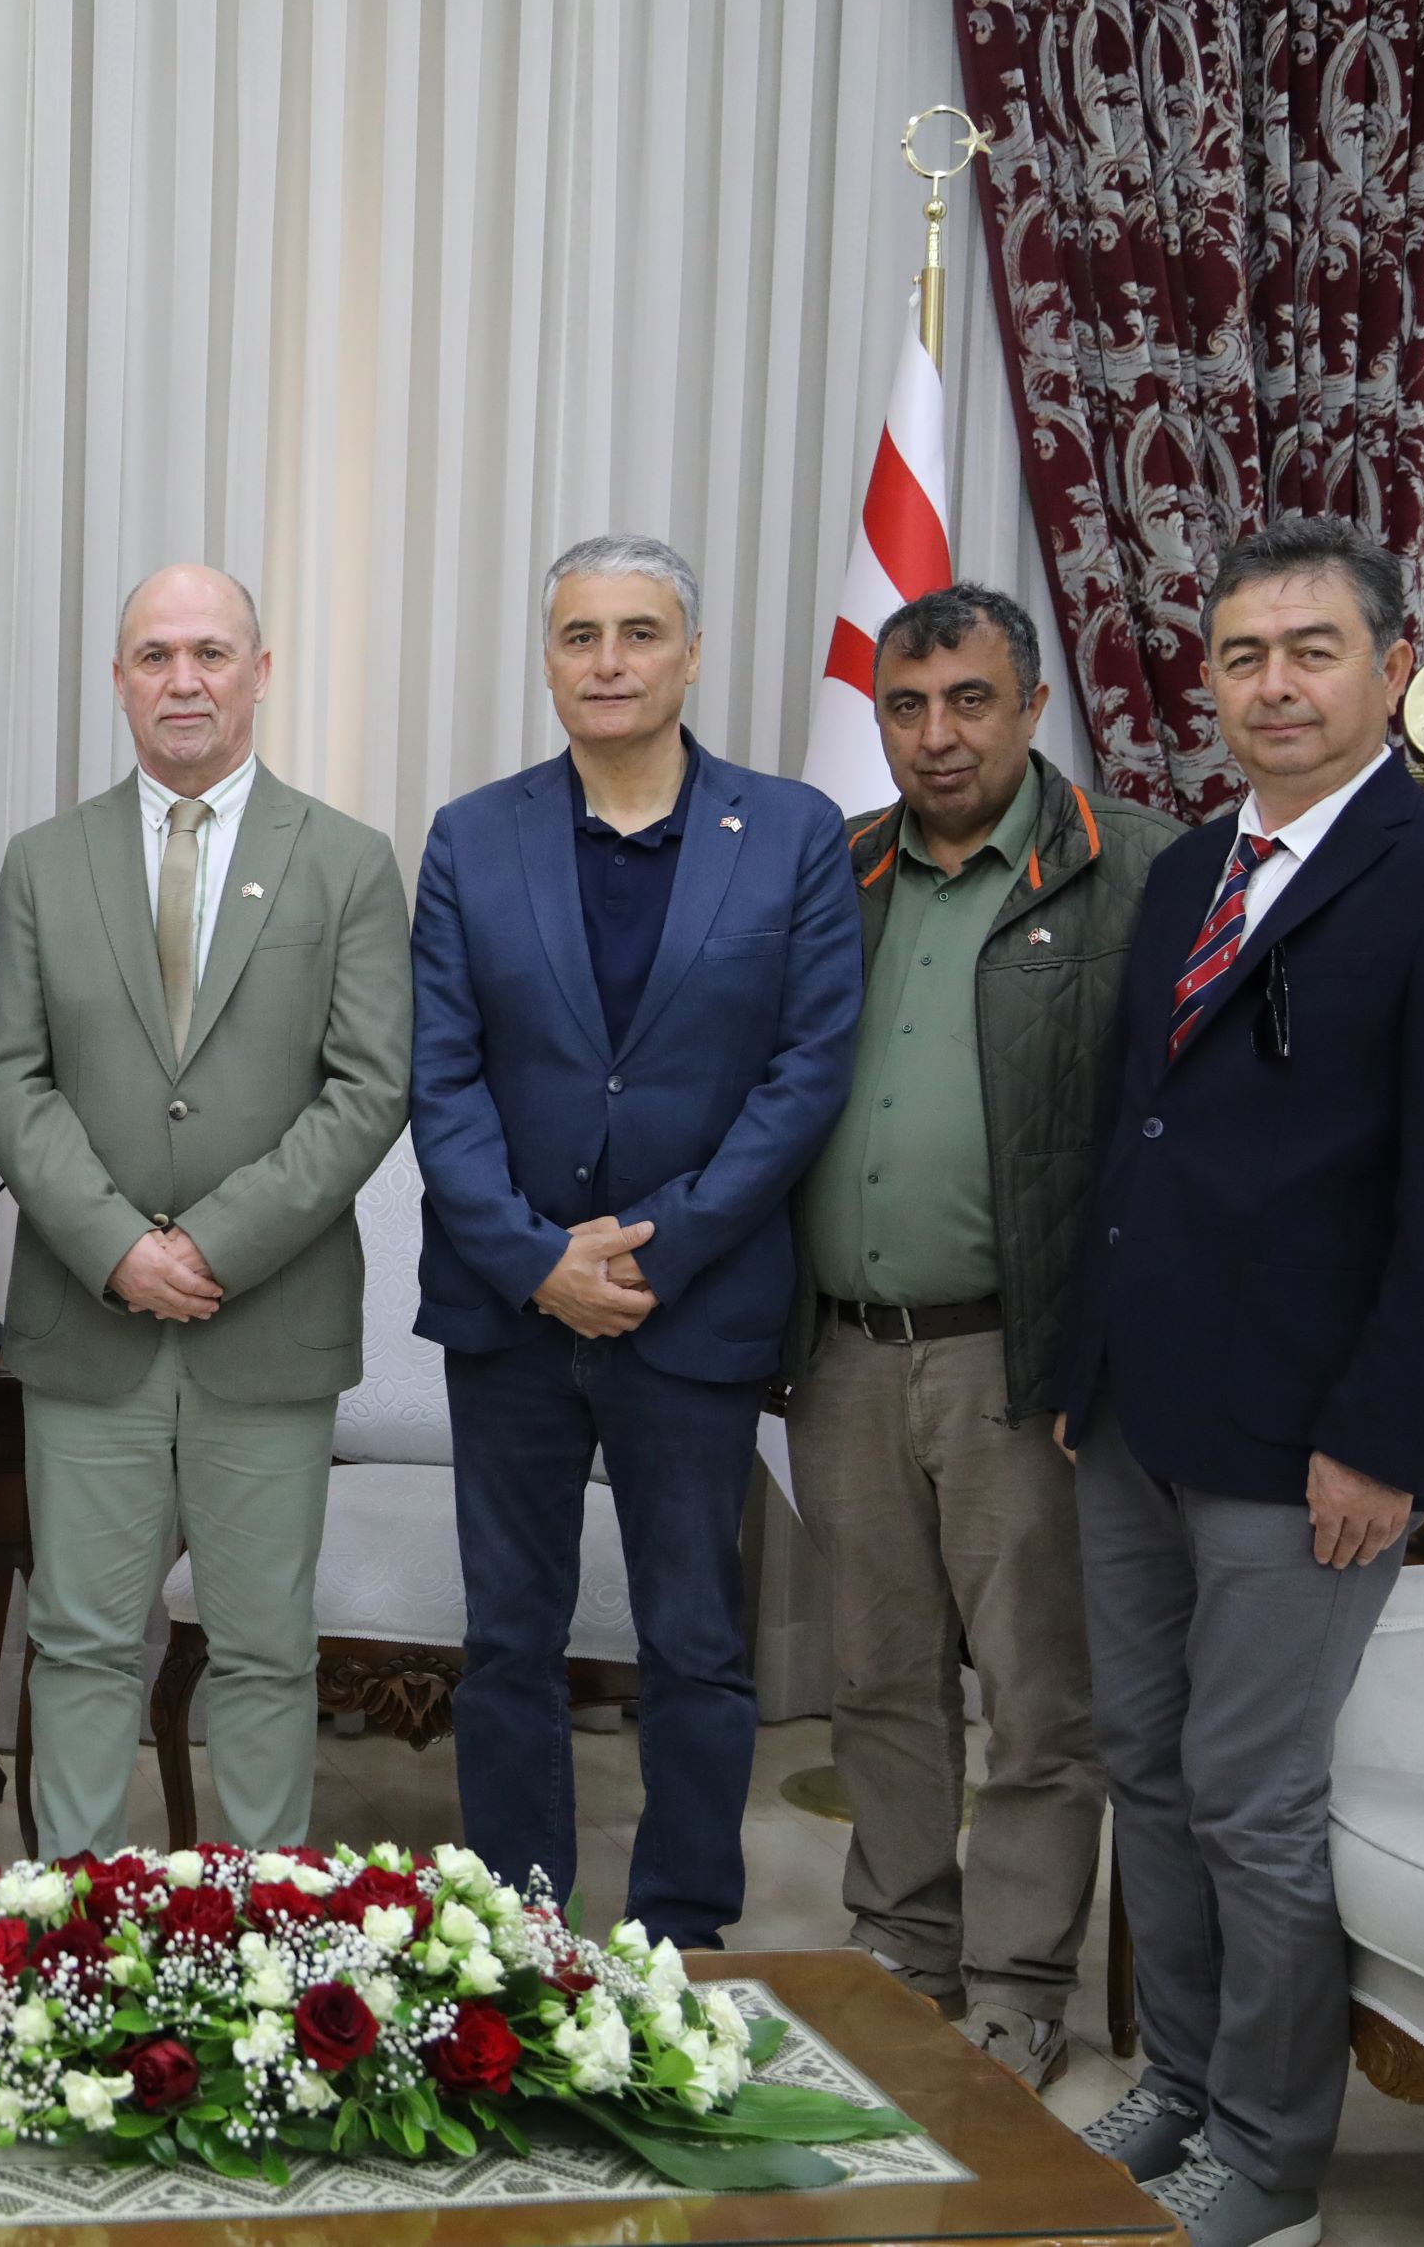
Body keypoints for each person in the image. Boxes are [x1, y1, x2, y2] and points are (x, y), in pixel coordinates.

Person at [1055, 516, 1424, 2247]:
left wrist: (1380, 1432)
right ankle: (1184, 2083)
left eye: (1313, 650)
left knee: (1252, 1796)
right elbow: (1136, 1137)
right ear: (1210, 678)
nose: (1276, 685)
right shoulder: (1191, 869)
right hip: (1136, 1409)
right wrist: (1082, 1365)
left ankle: (1270, 2159)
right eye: (1245, 655)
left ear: (1393, 668)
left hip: (1310, 1440)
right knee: (1146, 1762)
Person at [409, 532, 858, 1950]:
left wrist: (656, 1253)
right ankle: (520, 1931)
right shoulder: (472, 836)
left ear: (692, 654)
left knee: (696, 1638)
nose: (608, 662)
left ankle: (683, 1933)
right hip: (511, 1308)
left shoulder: (791, 832)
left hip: (696, 1307)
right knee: (509, 1637)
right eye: (580, 635)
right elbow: (441, 1078)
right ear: (549, 660)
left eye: (639, 632)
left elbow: (806, 1072)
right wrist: (536, 1259)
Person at [777, 582, 1178, 2086]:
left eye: (969, 701)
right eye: (906, 706)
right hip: (841, 1353)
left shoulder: (1134, 868)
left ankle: (1018, 1982)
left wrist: (1105, 1349)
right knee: (878, 1677)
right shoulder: (842, 872)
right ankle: (900, 1949)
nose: (937, 735)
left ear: (1031, 708)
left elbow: (1171, 1132)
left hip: (1019, 1361)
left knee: (1035, 1695)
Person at [0, 562, 409, 1860]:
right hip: (89, 1321)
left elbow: (371, 1087)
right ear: (119, 680)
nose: (184, 680)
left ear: (259, 674)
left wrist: (212, 1242)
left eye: (211, 653)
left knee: (266, 1650)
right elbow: (7, 1079)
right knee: (82, 1642)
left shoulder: (346, 862)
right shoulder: (43, 862)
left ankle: (267, 1931)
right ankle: (74, 1929)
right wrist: (117, 1245)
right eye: (156, 655)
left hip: (265, 1324)